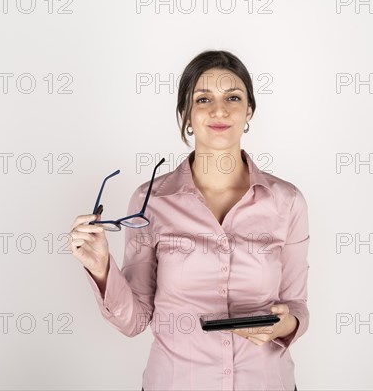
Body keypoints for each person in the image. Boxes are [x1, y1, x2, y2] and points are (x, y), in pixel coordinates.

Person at [69, 50, 310, 391]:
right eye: (203, 99)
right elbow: (135, 319)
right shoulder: (150, 201)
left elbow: (297, 304)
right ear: (186, 114)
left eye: (233, 97)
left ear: (249, 111)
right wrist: (101, 268)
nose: (219, 110)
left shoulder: (287, 201)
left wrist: (284, 325)